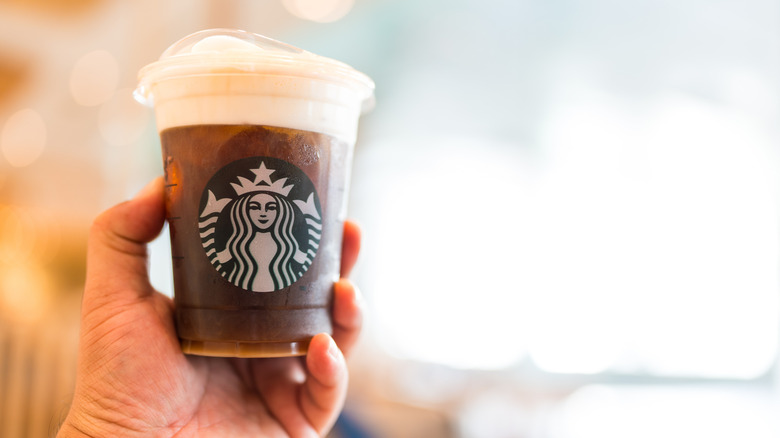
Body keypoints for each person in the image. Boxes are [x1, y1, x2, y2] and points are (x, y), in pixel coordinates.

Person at [57, 177, 364, 437]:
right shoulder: (235, 250)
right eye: (254, 206)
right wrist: (112, 426)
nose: (263, 213)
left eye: (271, 206)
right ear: (241, 211)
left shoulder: (287, 251)